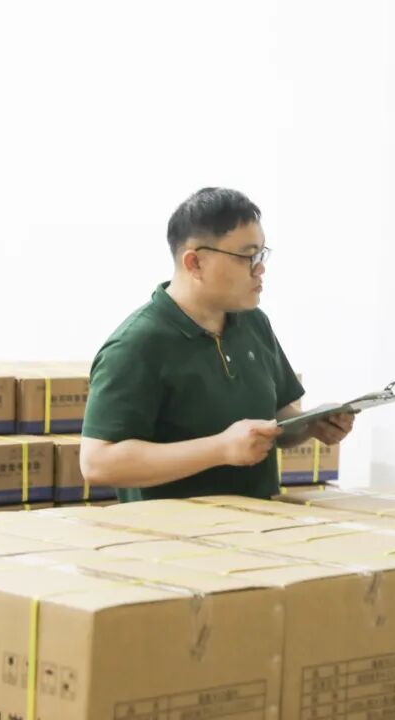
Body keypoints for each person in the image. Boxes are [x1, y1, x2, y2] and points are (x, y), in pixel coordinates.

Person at [79, 187, 352, 501]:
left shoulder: (254, 324)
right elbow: (98, 462)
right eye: (247, 256)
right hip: (173, 529)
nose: (260, 268)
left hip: (260, 522)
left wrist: (311, 424)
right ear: (195, 263)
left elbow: (275, 418)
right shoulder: (138, 344)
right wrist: (220, 449)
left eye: (261, 254)